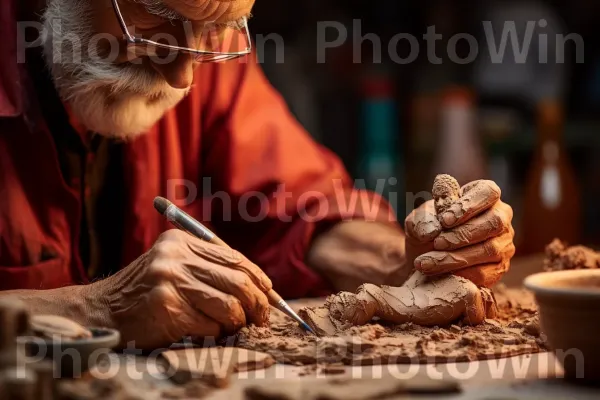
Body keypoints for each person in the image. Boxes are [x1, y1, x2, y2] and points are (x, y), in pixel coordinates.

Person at [0, 0, 515, 349]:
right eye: (156, 15)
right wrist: (96, 308)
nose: (183, 77)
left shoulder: (201, 39)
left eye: (219, 27)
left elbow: (293, 208)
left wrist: (400, 259)